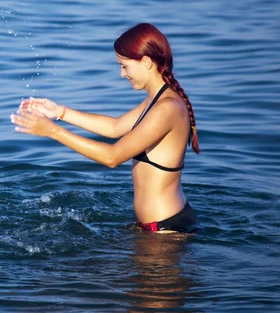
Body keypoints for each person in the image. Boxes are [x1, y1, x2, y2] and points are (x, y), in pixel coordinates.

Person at [11, 23, 200, 233]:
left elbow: (113, 157)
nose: (122, 74)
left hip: (166, 229)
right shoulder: (156, 101)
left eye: (125, 66)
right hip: (157, 226)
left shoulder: (167, 108)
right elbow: (115, 127)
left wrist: (53, 131)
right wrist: (59, 112)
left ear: (146, 62)